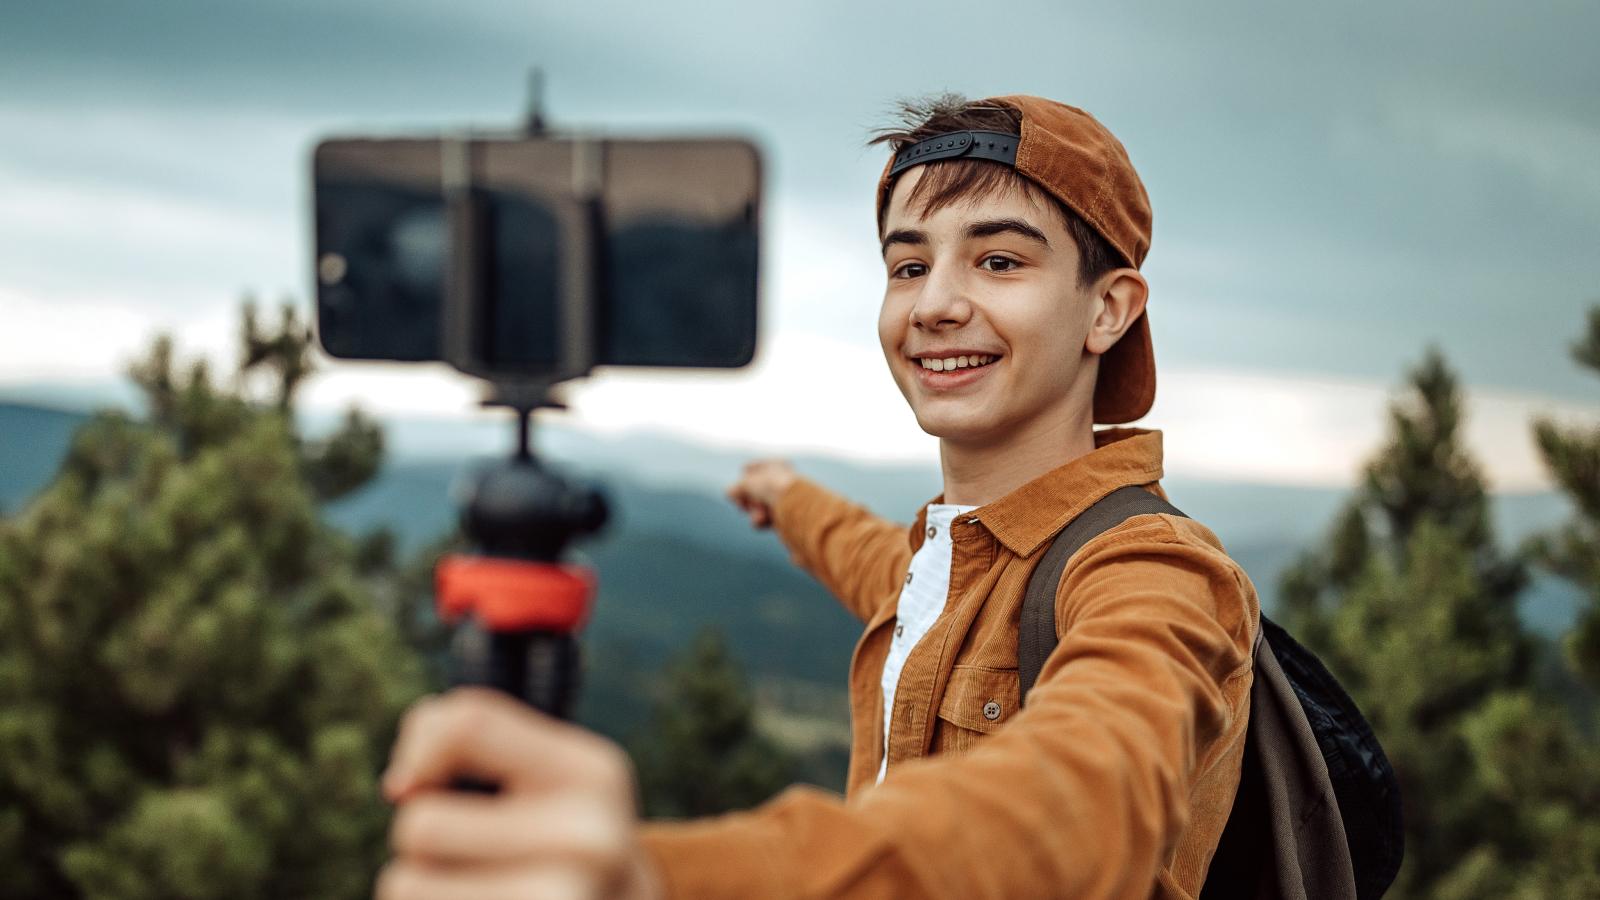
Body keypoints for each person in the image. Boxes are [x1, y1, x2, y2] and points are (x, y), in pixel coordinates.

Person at [374, 94, 1260, 900]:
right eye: (907, 267)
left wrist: (655, 877)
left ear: (1109, 310)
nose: (936, 304)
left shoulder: (1155, 572)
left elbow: (1085, 798)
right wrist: (788, 498)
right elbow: (885, 565)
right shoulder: (954, 563)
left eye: (996, 260)